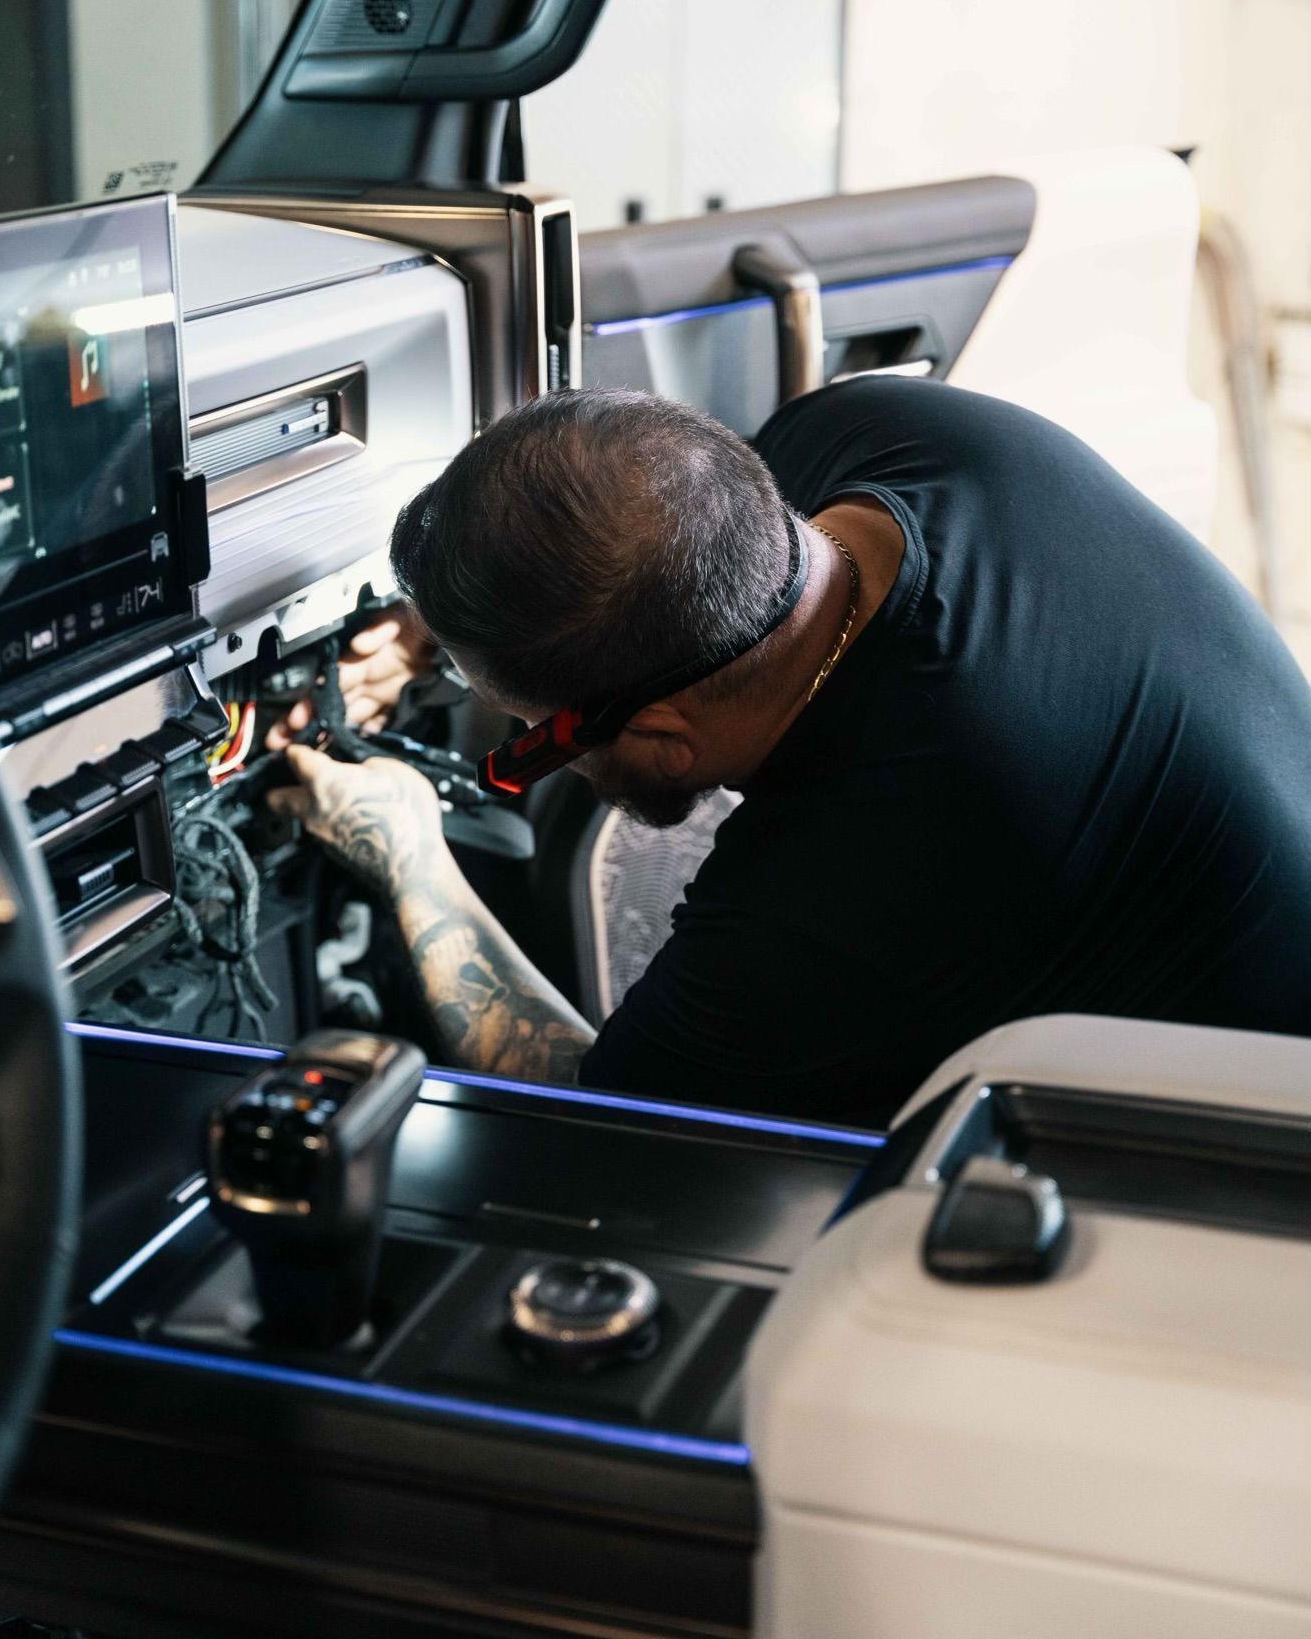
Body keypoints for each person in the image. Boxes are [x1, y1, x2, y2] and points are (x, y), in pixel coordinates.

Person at [267, 378, 1311, 1126]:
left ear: (665, 742)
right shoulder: (879, 432)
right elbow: (639, 555)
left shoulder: (864, 868)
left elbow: (609, 1119)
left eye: (530, 732)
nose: (513, 739)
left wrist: (410, 858)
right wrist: (448, 623)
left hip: (1242, 1153)